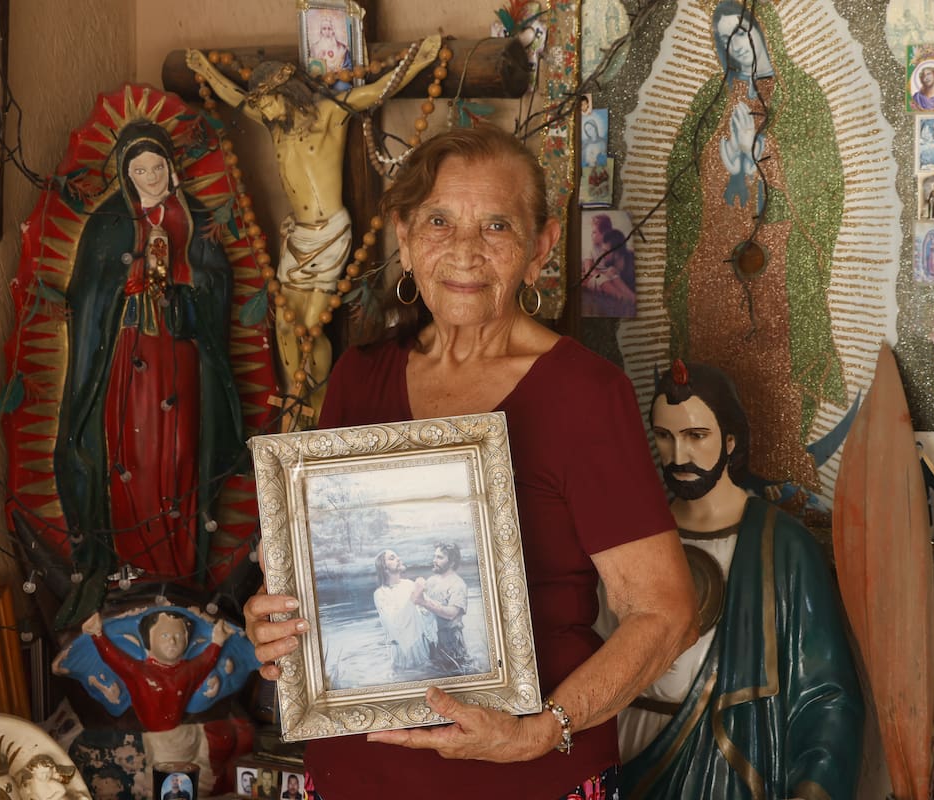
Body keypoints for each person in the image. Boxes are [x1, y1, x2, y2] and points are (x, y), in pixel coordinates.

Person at [242, 125, 698, 799]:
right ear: (404, 236)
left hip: (527, 776)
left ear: (540, 247)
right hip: (356, 773)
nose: (464, 250)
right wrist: (277, 620)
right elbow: (321, 575)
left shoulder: (584, 394)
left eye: (496, 226)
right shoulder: (357, 379)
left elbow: (666, 613)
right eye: (438, 220)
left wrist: (544, 729)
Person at [617, 361, 864, 799]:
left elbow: (827, 695)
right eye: (664, 436)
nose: (678, 456)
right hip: (630, 757)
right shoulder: (633, 537)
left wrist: (814, 785)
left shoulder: (784, 547)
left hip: (733, 765)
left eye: (696, 436)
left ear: (730, 440)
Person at [186, 37, 441, 424]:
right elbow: (236, 97)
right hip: (299, 234)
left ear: (284, 92)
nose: (262, 108)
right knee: (287, 323)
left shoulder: (328, 116)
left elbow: (373, 92)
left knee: (310, 329)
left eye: (267, 99)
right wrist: (204, 70)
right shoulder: (275, 124)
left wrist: (418, 62)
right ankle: (294, 395)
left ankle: (318, 402)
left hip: (328, 234)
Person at [53, 119, 245, 625]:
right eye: (139, 171)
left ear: (171, 169)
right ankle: (129, 568)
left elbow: (217, 283)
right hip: (128, 359)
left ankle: (181, 569)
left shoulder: (195, 221)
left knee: (179, 452)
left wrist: (184, 278)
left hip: (180, 358)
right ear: (125, 175)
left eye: (157, 167)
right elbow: (88, 295)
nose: (150, 178)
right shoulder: (108, 225)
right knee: (132, 456)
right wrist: (132, 276)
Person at [664, 0, 845, 491]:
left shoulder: (800, 95)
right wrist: (731, 168)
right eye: (724, 38)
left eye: (742, 33)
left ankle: (782, 467)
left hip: (781, 255)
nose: (735, 46)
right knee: (716, 354)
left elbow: (824, 182)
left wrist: (765, 154)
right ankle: (717, 478)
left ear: (767, 33)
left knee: (777, 363)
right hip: (716, 257)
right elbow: (682, 189)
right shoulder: (710, 101)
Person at [81, 609, 229, 731]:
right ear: (150, 639)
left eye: (178, 635)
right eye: (165, 635)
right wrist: (97, 635)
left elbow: (205, 663)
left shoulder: (188, 670)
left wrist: (218, 642)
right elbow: (115, 659)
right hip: (142, 730)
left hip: (179, 729)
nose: (172, 641)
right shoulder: (141, 672)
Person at [372, 550, 435, 673]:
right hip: (402, 650)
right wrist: (415, 594)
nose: (398, 559)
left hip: (420, 644)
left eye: (397, 556)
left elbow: (426, 612)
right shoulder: (380, 594)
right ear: (384, 568)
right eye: (392, 558)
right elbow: (395, 622)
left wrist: (424, 603)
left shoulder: (409, 584)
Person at [415, 542, 471, 673]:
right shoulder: (431, 581)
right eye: (435, 557)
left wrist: (424, 603)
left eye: (440, 558)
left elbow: (451, 613)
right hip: (432, 640)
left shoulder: (458, 585)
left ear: (451, 563)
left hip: (450, 641)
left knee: (453, 674)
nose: (434, 561)